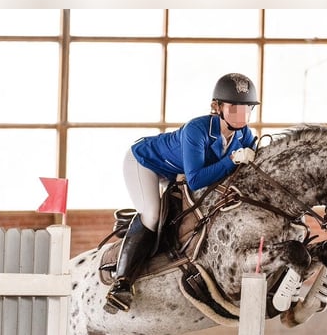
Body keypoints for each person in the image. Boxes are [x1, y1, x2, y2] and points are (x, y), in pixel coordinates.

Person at [105, 72, 260, 313]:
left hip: (177, 170)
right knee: (153, 215)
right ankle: (122, 284)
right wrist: (232, 159)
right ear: (216, 107)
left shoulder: (245, 135)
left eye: (246, 109)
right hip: (145, 163)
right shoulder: (196, 130)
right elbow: (197, 180)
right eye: (234, 109)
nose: (241, 116)